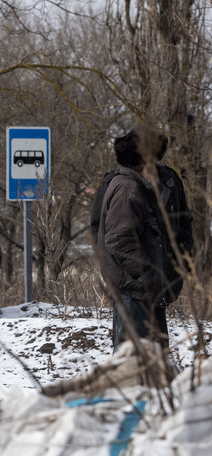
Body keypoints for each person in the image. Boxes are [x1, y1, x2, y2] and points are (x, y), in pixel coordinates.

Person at [92, 125, 192, 351]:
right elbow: (120, 241)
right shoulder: (127, 188)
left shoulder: (155, 184)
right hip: (134, 290)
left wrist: (178, 268)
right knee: (133, 365)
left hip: (151, 290)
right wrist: (149, 275)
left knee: (154, 363)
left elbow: (182, 227)